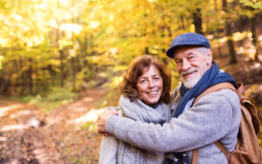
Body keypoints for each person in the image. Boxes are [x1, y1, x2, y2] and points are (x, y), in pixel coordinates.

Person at [98, 32, 241, 164]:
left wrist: (113, 123)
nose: (185, 66)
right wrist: (115, 112)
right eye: (179, 61)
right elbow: (156, 107)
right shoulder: (187, 90)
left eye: (191, 57)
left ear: (208, 56)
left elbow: (166, 138)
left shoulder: (220, 99)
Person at [99, 55, 175, 164]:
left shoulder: (174, 112)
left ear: (163, 81)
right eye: (143, 81)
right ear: (134, 87)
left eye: (156, 78)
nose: (151, 85)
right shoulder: (115, 120)